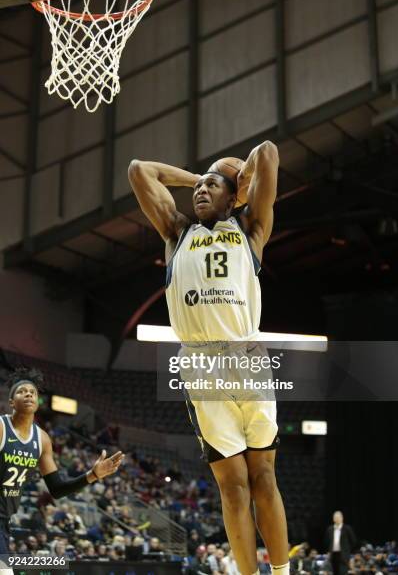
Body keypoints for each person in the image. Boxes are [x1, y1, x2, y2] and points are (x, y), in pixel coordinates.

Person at [128, 140, 288, 575]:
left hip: (247, 355)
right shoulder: (176, 232)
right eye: (199, 187)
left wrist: (240, 179)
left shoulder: (251, 228)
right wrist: (199, 175)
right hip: (202, 364)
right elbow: (141, 168)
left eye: (212, 186)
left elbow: (269, 152)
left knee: (264, 480)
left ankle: (284, 572)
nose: (200, 191)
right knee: (233, 488)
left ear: (233, 195)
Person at [0, 366, 124, 565]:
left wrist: (92, 475)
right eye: (22, 391)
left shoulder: (42, 439)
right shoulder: (1, 427)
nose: (29, 394)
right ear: (11, 402)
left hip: (4, 521)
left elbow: (56, 489)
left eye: (32, 392)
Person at [325, 511, 357, 575]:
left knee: (342, 572)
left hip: (344, 555)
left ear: (342, 518)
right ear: (333, 519)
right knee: (335, 572)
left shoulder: (347, 528)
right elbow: (327, 541)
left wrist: (347, 551)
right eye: (335, 518)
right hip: (333, 555)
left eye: (338, 517)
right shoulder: (330, 529)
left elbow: (353, 541)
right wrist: (328, 551)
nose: (337, 519)